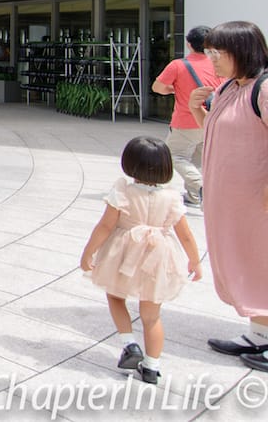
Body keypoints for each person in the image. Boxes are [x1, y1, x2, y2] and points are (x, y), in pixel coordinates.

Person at [80, 136, 203, 385]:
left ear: (129, 164)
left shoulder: (123, 191)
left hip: (124, 254)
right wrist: (195, 261)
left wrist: (88, 252)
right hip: (158, 260)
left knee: (116, 296)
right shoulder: (171, 197)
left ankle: (129, 344)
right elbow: (185, 235)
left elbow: (105, 226)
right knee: (152, 316)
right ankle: (151, 367)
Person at [188, 20, 268, 372]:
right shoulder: (228, 88)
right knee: (246, 262)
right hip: (231, 202)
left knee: (262, 262)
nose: (212, 60)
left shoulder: (263, 88)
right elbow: (219, 134)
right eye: (209, 52)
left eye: (217, 53)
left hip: (257, 203)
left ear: (242, 51)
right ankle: (259, 334)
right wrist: (197, 110)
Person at [152, 26, 220, 207]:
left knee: (173, 155)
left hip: (185, 120)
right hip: (209, 120)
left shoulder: (178, 65)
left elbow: (157, 88)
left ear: (189, 44)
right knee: (199, 158)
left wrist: (174, 88)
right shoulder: (218, 65)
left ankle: (200, 187)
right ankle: (194, 196)